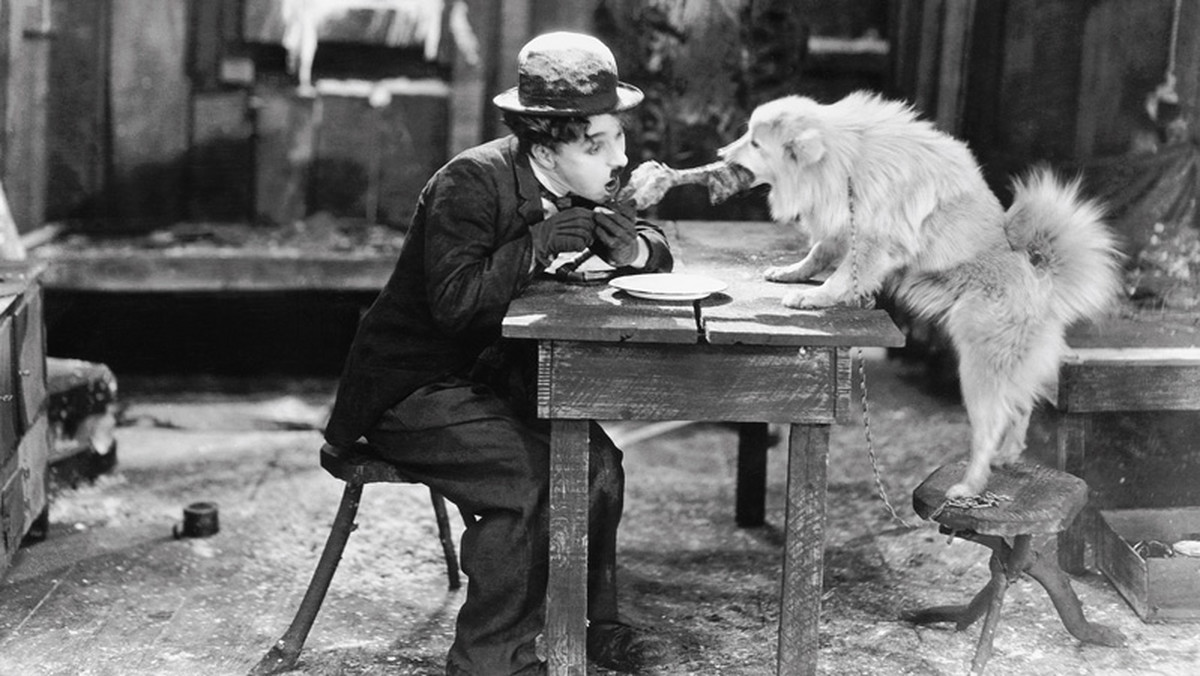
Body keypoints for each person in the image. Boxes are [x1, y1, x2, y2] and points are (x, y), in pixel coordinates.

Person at [323, 31, 675, 676]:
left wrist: (634, 251)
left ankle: (597, 625)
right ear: (543, 144)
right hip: (414, 388)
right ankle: (490, 661)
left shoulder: (581, 178)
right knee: (530, 483)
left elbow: (651, 242)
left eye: (620, 138)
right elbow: (455, 303)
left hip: (492, 381)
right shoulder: (470, 182)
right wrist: (537, 244)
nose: (618, 158)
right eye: (600, 146)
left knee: (597, 465)